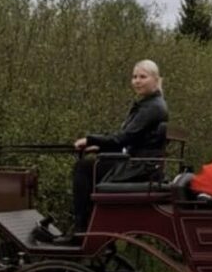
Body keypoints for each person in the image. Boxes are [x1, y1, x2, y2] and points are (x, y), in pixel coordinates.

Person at [69, 59, 169, 234]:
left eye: (142, 77)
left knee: (84, 167)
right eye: (134, 77)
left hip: (140, 167)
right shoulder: (150, 104)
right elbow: (131, 140)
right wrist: (100, 148)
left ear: (155, 79)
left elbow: (123, 138)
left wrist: (90, 140)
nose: (137, 81)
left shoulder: (152, 107)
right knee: (92, 163)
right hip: (142, 164)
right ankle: (88, 225)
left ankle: (81, 229)